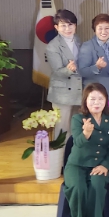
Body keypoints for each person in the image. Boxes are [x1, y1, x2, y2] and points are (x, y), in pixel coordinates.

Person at [63, 83, 109, 217]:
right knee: (78, 188)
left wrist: (105, 165)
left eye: (100, 98)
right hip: (77, 164)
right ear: (85, 101)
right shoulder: (77, 119)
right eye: (92, 99)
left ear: (106, 100)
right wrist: (86, 133)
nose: (96, 102)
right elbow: (77, 143)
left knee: (97, 185)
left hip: (99, 165)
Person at [47, 9, 82, 138]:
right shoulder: (52, 46)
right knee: (62, 128)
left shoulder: (77, 39)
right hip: (62, 92)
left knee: (76, 126)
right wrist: (69, 69)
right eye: (63, 25)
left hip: (78, 90)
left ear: (75, 25)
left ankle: (73, 151)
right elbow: (57, 71)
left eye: (70, 24)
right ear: (56, 27)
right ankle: (59, 151)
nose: (67, 29)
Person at [78, 14, 109, 101]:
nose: (104, 32)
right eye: (100, 28)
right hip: (96, 93)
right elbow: (82, 71)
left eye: (107, 28)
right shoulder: (87, 46)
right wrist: (97, 67)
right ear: (95, 30)